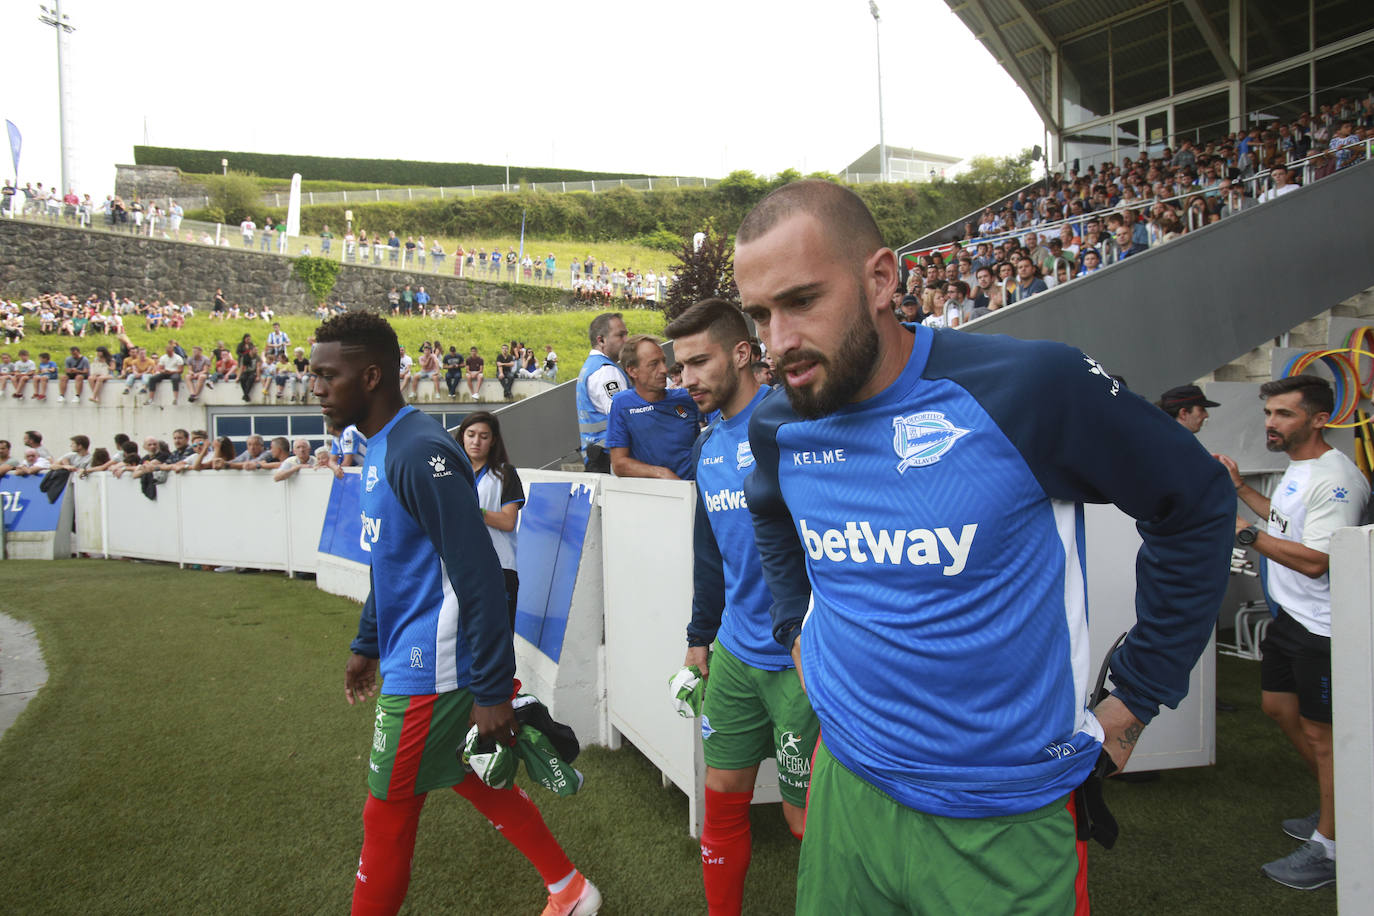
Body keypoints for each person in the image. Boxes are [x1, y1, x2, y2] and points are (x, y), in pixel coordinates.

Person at [733, 181, 1234, 914]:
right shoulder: (780, 422)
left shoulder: (1029, 387)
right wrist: (793, 627)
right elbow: (770, 515)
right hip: (846, 786)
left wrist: (1137, 697)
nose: (778, 343)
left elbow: (1195, 503)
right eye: (760, 315)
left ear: (881, 279)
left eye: (802, 301)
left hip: (1005, 815)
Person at [311, 312, 601, 916]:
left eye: (324, 375)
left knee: (384, 814)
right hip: (411, 657)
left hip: (435, 668)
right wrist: (367, 643)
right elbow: (392, 564)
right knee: (472, 780)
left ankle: (570, 891)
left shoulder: (420, 452)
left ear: (369, 376)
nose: (314, 386)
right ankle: (569, 890)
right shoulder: (382, 447)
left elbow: (476, 574)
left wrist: (493, 687)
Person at [666, 298, 818, 915]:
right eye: (680, 368)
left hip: (801, 662)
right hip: (733, 654)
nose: (687, 381)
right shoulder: (706, 447)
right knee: (722, 794)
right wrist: (700, 635)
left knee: (805, 819)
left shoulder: (792, 425)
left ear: (742, 353)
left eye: (699, 362)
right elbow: (710, 553)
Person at [1215, 375, 1368, 891]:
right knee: (1278, 709)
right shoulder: (1300, 468)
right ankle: (1343, 807)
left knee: (1326, 740)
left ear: (1319, 419)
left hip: (1323, 629)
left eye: (1283, 414)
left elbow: (1318, 561)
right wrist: (1241, 492)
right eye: (1268, 414)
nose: (1270, 424)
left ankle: (1334, 845)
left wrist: (1243, 532)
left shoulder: (1336, 479)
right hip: (1291, 620)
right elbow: (1285, 524)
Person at [458, 411, 525, 630]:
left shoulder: (505, 474)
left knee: (499, 642)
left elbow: (508, 521)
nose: (476, 441)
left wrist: (473, 511)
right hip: (461, 569)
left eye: (484, 436)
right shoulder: (452, 474)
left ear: (493, 440)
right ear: (462, 437)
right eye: (471, 434)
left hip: (499, 569)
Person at [604, 334, 701, 480]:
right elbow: (619, 464)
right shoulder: (622, 405)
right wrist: (661, 473)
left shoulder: (686, 398)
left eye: (663, 361)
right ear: (632, 371)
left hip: (696, 492)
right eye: (654, 364)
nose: (663, 369)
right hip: (655, 497)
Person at [575, 313, 630, 473]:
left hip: (598, 457)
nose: (626, 340)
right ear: (601, 340)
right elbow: (624, 416)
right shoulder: (607, 372)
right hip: (610, 459)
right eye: (620, 335)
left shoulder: (590, 367)